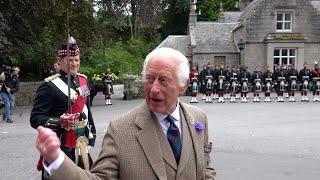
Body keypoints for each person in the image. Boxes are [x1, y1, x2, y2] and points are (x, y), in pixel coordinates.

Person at [35, 47, 216, 179]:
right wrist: (56, 159)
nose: (154, 89)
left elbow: (206, 169)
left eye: (164, 80)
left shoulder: (198, 119)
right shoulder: (120, 129)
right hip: (68, 142)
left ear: (183, 86)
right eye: (150, 79)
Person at [30, 42, 96, 179]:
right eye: (70, 60)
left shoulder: (83, 80)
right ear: (60, 61)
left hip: (81, 143)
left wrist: (92, 133)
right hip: (61, 144)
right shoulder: (49, 86)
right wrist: (60, 122)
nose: (74, 63)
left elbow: (86, 110)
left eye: (76, 60)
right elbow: (35, 118)